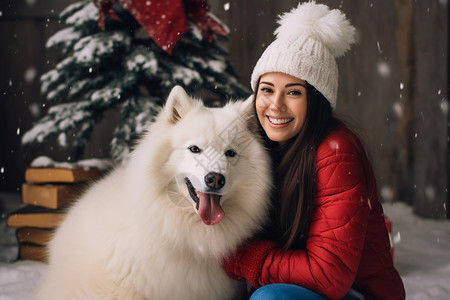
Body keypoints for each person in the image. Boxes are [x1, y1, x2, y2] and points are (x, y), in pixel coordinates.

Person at [223, 2, 405, 300]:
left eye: (293, 92)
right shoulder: (258, 145)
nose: (275, 105)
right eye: (267, 89)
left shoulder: (336, 153)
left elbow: (327, 275)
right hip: (299, 286)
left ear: (316, 100)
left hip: (355, 294)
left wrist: (244, 257)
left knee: (271, 299)